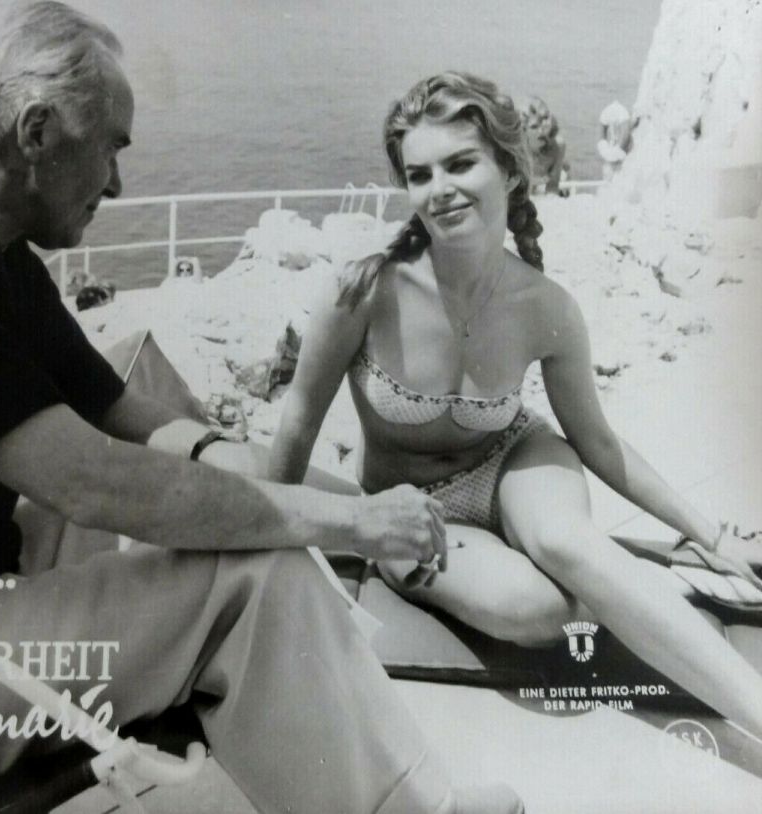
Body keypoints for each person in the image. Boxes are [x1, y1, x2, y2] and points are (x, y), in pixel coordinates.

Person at [0, 6, 527, 813]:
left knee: (211, 503)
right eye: (113, 147)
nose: (119, 183)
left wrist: (234, 463)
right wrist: (349, 523)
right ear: (36, 132)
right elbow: (93, 484)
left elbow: (114, 404)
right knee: (249, 576)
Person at [269, 71, 762, 740]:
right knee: (536, 609)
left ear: (508, 169)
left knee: (566, 543)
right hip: (407, 506)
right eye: (419, 174)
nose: (439, 189)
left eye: (460, 164)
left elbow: (598, 442)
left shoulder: (545, 306)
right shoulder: (362, 291)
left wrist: (712, 537)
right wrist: (266, 547)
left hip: (514, 459)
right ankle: (632, 588)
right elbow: (297, 425)